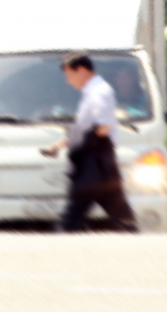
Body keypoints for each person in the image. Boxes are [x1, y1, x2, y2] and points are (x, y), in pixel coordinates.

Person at [40, 51, 137, 233]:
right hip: (102, 164)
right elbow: (87, 127)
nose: (68, 81)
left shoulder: (99, 92)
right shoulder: (92, 92)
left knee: (72, 216)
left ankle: (57, 245)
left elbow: (103, 127)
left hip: (94, 160)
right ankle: (140, 246)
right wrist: (57, 146)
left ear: (82, 71)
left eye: (69, 75)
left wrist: (80, 140)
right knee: (122, 218)